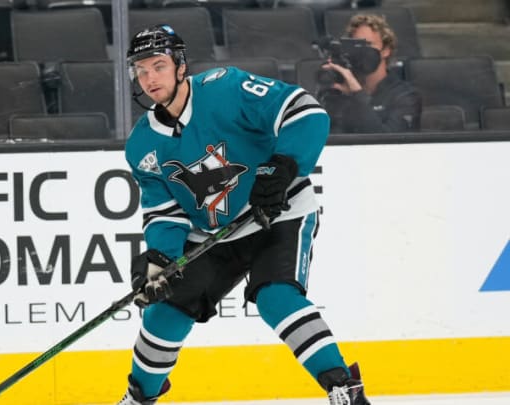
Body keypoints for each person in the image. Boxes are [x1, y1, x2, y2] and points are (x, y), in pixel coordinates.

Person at [119, 24, 371, 405]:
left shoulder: (226, 88)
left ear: (180, 66)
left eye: (158, 66)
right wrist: (160, 258)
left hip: (278, 212)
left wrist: (284, 164)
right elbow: (164, 211)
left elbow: (306, 111)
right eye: (142, 70)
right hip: (214, 235)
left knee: (275, 296)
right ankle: (139, 398)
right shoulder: (142, 144)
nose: (150, 78)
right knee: (165, 311)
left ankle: (342, 387)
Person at [319, 13, 421, 133]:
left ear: (386, 50)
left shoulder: (406, 96)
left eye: (368, 45)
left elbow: (388, 143)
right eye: (356, 45)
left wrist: (357, 94)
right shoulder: (341, 90)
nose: (362, 51)